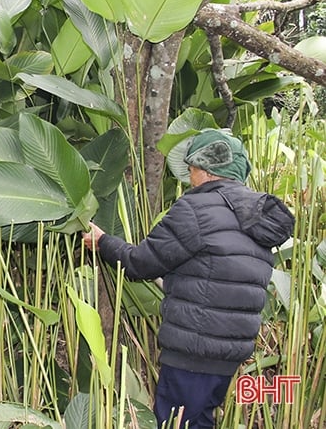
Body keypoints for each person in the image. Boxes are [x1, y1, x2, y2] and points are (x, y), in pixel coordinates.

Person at [81, 129, 294, 429]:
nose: (188, 178)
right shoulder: (256, 216)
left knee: (176, 423)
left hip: (193, 352)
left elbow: (140, 263)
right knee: (200, 421)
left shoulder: (196, 209)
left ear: (205, 172)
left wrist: (103, 242)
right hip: (229, 355)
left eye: (191, 170)